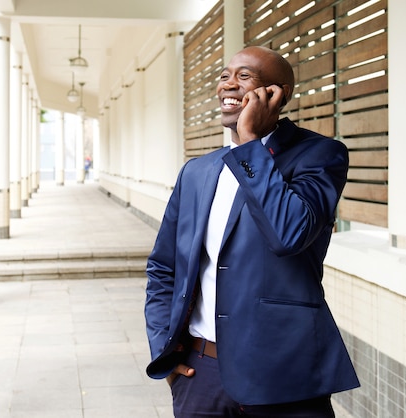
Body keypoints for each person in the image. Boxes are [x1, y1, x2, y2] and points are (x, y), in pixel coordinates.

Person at [144, 46, 360, 417]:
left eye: (245, 77)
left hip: (285, 376)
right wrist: (163, 352)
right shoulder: (196, 172)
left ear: (277, 95)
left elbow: (289, 233)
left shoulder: (321, 155)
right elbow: (164, 268)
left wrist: (249, 142)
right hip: (201, 375)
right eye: (226, 75)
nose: (229, 83)